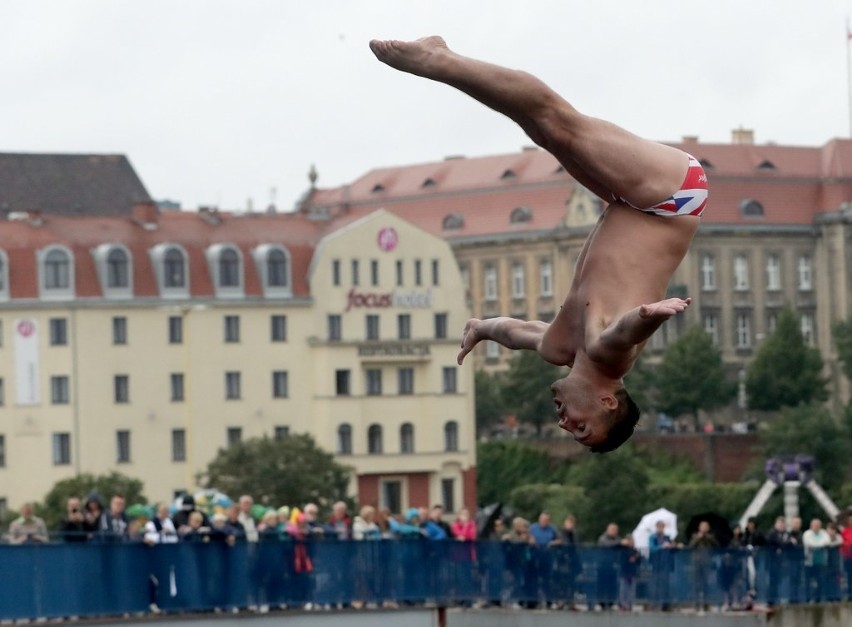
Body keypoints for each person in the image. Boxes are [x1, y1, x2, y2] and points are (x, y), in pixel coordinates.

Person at [370, 36, 706, 453]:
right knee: (557, 123)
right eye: (581, 428)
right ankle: (435, 58)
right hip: (671, 198)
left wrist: (482, 328)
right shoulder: (610, 356)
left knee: (546, 133)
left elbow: (518, 332)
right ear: (606, 400)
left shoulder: (559, 346)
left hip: (627, 203)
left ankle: (441, 58)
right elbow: (626, 330)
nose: (565, 424)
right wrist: (652, 314)